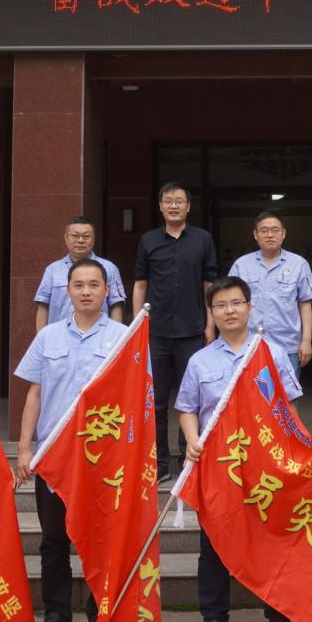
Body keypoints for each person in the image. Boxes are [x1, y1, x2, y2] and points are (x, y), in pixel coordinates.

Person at [176, 277, 303, 622]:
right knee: (213, 547)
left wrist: (297, 452)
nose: (229, 311)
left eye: (236, 303)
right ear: (212, 313)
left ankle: (279, 619)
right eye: (221, 305)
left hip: (265, 467)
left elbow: (288, 405)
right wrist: (191, 439)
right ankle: (214, 620)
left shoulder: (270, 353)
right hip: (219, 468)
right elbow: (187, 408)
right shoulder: (200, 360)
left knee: (272, 544)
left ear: (249, 307)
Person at [16, 259, 130, 622]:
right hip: (54, 457)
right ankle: (55, 617)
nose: (86, 291)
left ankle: (102, 612)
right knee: (53, 541)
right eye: (78, 284)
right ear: (67, 291)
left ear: (106, 291)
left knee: (103, 539)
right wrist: (25, 448)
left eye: (94, 284)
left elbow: (137, 399)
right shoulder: (47, 337)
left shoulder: (124, 338)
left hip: (103, 459)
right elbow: (34, 394)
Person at [133, 182, 220, 481]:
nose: (173, 205)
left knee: (191, 400)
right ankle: (159, 464)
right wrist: (138, 325)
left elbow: (209, 284)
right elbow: (140, 285)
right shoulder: (148, 241)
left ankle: (187, 461)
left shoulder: (202, 239)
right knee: (156, 401)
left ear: (188, 206)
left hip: (192, 331)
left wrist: (210, 324)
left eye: (179, 201)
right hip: (155, 332)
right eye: (168, 200)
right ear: (160, 206)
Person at [228, 210, 312, 375]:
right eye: (264, 230)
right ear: (255, 235)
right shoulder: (241, 265)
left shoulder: (299, 264)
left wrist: (306, 341)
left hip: (287, 347)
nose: (270, 235)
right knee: (249, 391)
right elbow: (230, 305)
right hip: (248, 346)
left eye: (275, 230)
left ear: (283, 234)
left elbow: (305, 304)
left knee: (287, 391)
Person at [34, 216, 127, 330]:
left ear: (93, 239)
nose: (80, 240)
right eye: (75, 236)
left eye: (86, 236)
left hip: (99, 335)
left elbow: (115, 305)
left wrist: (115, 337)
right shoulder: (52, 270)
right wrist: (42, 337)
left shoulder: (109, 268)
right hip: (59, 336)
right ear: (66, 238)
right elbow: (43, 305)